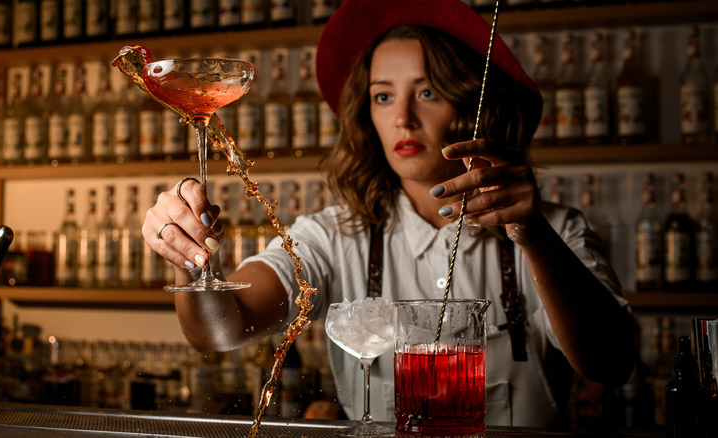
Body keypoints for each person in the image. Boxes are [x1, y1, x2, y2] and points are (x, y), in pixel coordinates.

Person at [142, 0, 636, 429]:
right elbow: (220, 331)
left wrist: (534, 236)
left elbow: (611, 363)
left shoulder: (556, 230)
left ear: (471, 103)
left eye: (427, 91)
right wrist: (192, 258)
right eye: (383, 96)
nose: (402, 116)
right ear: (366, 114)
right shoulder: (332, 236)